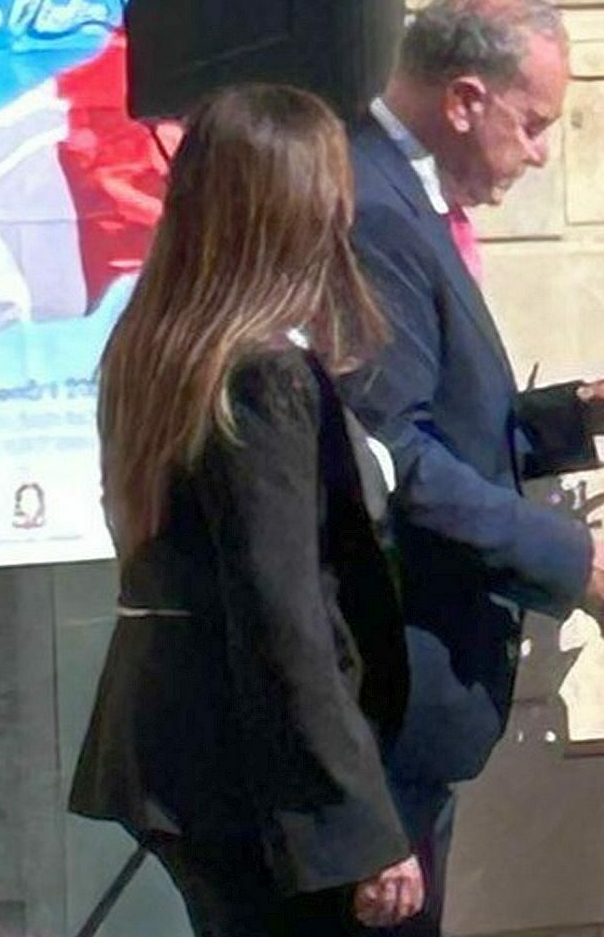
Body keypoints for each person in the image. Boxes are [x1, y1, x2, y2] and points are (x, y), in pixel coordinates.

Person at [337, 0, 604, 935]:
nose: (537, 153)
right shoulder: (374, 210)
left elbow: (448, 427)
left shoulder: (407, 199)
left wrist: (586, 412)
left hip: (418, 697)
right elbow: (392, 457)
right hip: (384, 685)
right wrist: (575, 560)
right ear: (464, 100)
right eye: (532, 126)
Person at [70, 83, 424, 934]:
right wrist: (363, 828)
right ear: (299, 209)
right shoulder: (261, 374)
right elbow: (283, 613)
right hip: (254, 779)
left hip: (178, 753)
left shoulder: (159, 348)